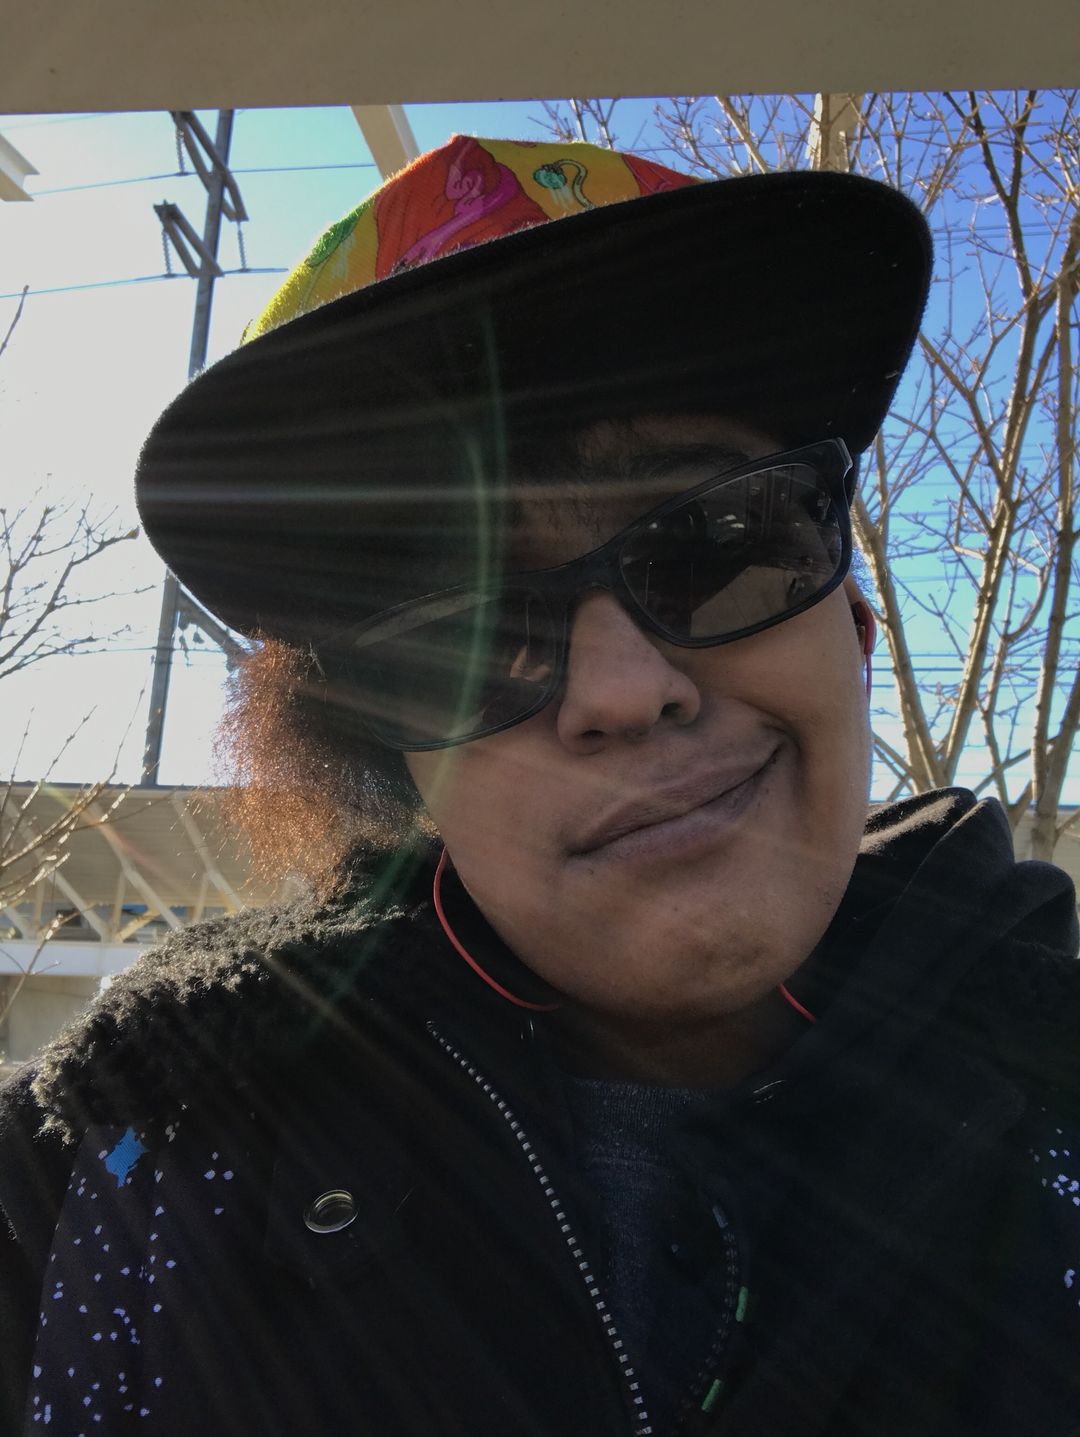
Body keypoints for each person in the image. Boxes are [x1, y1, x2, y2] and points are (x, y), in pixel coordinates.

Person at [1, 134, 1078, 1437]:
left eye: (723, 542)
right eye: (467, 639)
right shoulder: (112, 1177)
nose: (622, 690)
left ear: (851, 626)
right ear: (404, 763)